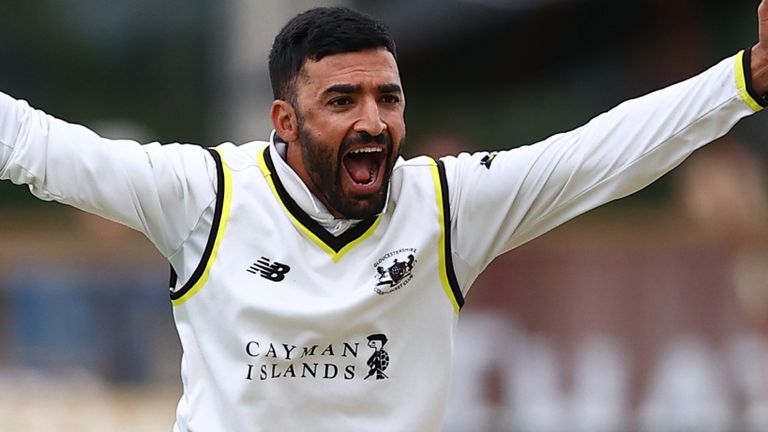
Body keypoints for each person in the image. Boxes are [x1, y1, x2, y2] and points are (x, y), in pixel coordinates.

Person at [2, 4, 768, 431]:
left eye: (388, 98)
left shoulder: (446, 205)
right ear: (285, 121)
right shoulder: (204, 194)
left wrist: (744, 81)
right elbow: (35, 145)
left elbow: (601, 153)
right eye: (342, 101)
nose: (373, 120)